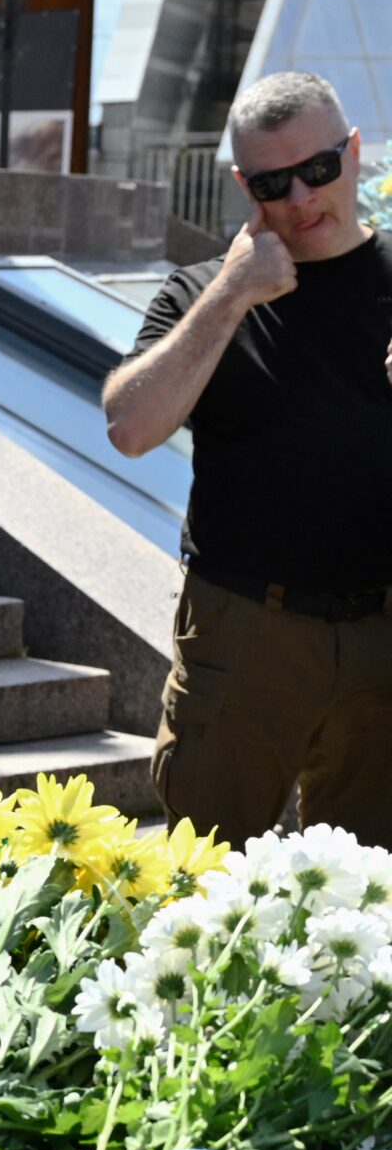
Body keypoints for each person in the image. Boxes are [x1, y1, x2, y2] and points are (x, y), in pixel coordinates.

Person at [101, 70, 392, 846]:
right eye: (272, 182)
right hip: (245, 631)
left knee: (369, 894)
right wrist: (232, 294)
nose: (300, 198)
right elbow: (130, 426)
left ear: (354, 152)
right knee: (207, 876)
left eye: (320, 169)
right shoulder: (203, 292)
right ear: (241, 184)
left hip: (381, 633)